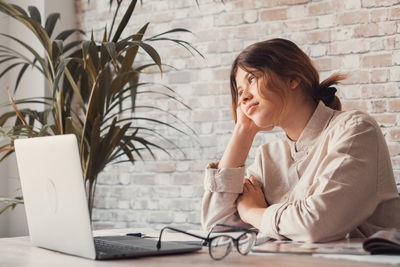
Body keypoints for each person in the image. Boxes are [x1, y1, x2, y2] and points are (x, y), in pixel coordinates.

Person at [201, 38, 400, 243]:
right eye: (240, 91)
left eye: (251, 79)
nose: (243, 98)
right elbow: (217, 224)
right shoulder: (268, 156)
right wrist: (243, 131)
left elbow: (316, 223)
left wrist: (252, 211)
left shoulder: (355, 130)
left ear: (293, 78)